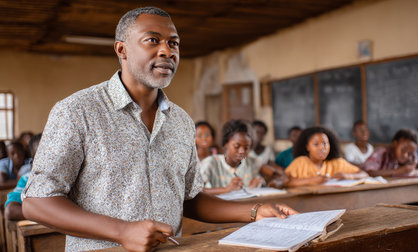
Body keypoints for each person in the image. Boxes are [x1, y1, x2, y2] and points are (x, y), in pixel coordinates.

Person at [22, 7, 297, 252]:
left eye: (173, 43)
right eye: (153, 40)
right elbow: (36, 202)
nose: (167, 51)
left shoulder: (181, 121)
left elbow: (189, 198)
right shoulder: (77, 111)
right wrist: (122, 231)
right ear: (122, 50)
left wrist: (255, 211)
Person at [285, 126, 368, 187]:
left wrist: (347, 176)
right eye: (316, 144)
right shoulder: (300, 162)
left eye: (325, 143)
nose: (322, 148)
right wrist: (312, 180)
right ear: (307, 147)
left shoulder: (337, 162)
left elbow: (364, 174)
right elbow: (285, 181)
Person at [200, 120, 265, 195]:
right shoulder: (210, 163)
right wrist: (226, 189)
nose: (241, 151)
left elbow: (263, 179)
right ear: (226, 144)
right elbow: (197, 191)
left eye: (246, 148)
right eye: (236, 146)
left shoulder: (251, 163)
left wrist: (254, 185)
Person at [5, 133, 42, 220]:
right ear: (33, 163)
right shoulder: (27, 179)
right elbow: (10, 211)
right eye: (41, 157)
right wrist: (50, 216)